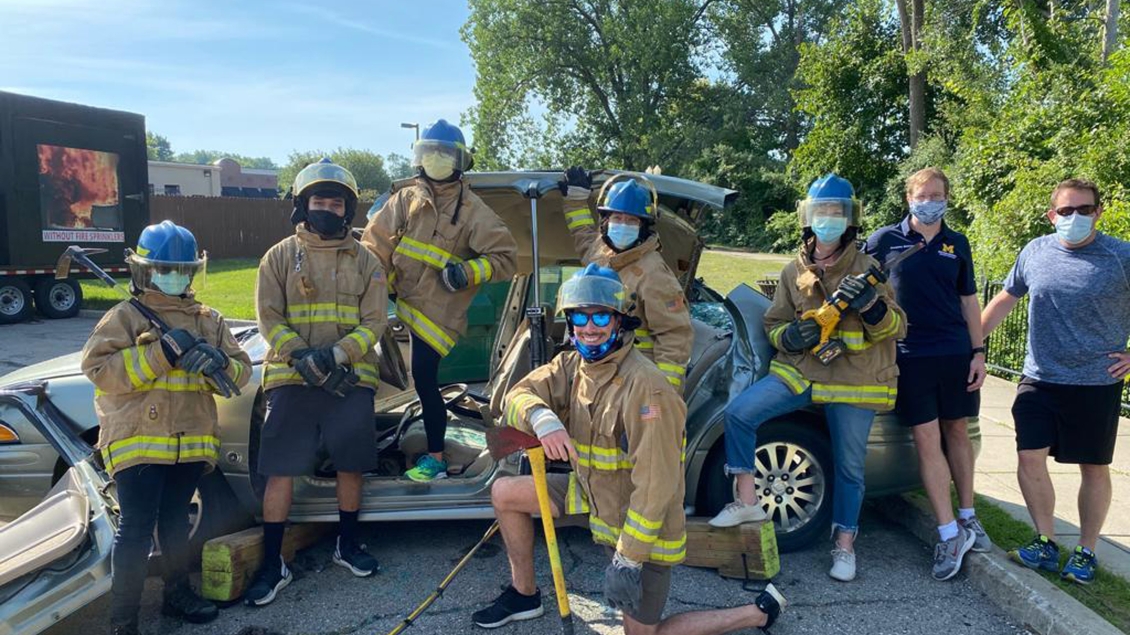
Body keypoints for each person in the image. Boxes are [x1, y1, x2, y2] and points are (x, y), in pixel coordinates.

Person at [473, 265, 785, 634]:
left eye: (601, 316)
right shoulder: (575, 364)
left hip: (642, 527)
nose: (589, 328)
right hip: (595, 496)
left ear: (620, 322)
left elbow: (655, 488)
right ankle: (525, 595)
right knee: (505, 493)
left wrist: (629, 560)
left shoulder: (647, 389)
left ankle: (758, 612)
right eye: (579, 318)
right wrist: (543, 419)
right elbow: (516, 395)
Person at [708, 174, 906, 583]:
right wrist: (790, 335)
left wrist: (871, 309)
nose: (829, 220)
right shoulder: (792, 269)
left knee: (850, 467)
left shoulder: (868, 270)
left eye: (836, 213)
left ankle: (845, 545)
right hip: (802, 372)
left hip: (855, 381)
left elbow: (895, 329)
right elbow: (774, 324)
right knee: (741, 413)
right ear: (809, 218)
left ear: (849, 220)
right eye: (822, 212)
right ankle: (747, 502)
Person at [82, 221, 252, 635]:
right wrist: (162, 352)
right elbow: (98, 370)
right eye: (164, 268)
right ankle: (124, 621)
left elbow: (241, 373)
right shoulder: (123, 316)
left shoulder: (208, 321)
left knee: (176, 522)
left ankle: (177, 594)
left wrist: (216, 362)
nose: (174, 276)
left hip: (190, 442)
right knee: (136, 530)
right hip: (139, 443)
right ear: (144, 270)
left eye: (182, 269)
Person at [248, 159, 388, 606]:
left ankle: (348, 545)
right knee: (281, 469)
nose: (326, 207)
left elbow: (374, 322)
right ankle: (274, 562)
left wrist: (337, 356)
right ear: (302, 205)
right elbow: (269, 317)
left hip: (350, 378)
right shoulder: (279, 256)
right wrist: (301, 355)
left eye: (335, 201)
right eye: (318, 200)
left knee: (351, 463)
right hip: (291, 376)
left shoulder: (367, 260)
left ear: (347, 208)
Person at [981, 178, 1129, 585]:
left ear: (1099, 211)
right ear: (1052, 215)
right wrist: (971, 346)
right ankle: (1045, 541)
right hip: (1040, 378)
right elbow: (1004, 300)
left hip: (1095, 382)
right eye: (1066, 211)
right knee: (1029, 458)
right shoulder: (1036, 251)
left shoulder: (1121, 256)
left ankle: (1086, 550)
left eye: (1084, 209)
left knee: (1093, 467)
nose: (1075, 217)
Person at [362, 119, 517, 482]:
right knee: (384, 379)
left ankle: (435, 459)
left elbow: (506, 258)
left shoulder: (473, 211)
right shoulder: (406, 200)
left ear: (460, 162)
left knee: (425, 381)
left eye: (445, 156)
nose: (436, 163)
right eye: (430, 155)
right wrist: (369, 285)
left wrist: (467, 272)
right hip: (402, 304)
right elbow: (374, 246)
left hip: (437, 315)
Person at [864, 167, 991, 581]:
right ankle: (947, 530)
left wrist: (979, 352)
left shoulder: (958, 243)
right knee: (925, 437)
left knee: (958, 430)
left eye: (938, 193)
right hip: (909, 354)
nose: (931, 199)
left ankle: (968, 516)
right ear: (909, 197)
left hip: (955, 353)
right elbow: (859, 285)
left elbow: (969, 301)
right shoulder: (884, 240)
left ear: (947, 198)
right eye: (923, 193)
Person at [557, 168, 693, 390]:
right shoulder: (602, 251)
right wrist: (575, 200)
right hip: (600, 364)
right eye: (617, 218)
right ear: (606, 221)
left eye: (631, 220)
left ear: (643, 227)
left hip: (634, 374)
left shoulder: (655, 273)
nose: (623, 225)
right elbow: (582, 235)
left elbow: (675, 336)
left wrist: (660, 391)